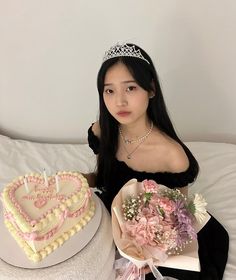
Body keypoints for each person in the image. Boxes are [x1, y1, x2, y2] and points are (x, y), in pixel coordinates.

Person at [85, 43, 229, 280]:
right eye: (109, 90)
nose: (119, 101)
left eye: (130, 88)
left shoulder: (172, 155)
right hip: (110, 218)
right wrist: (82, 179)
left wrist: (148, 254)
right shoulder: (104, 130)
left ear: (151, 89)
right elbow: (105, 178)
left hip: (154, 235)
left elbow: (176, 217)